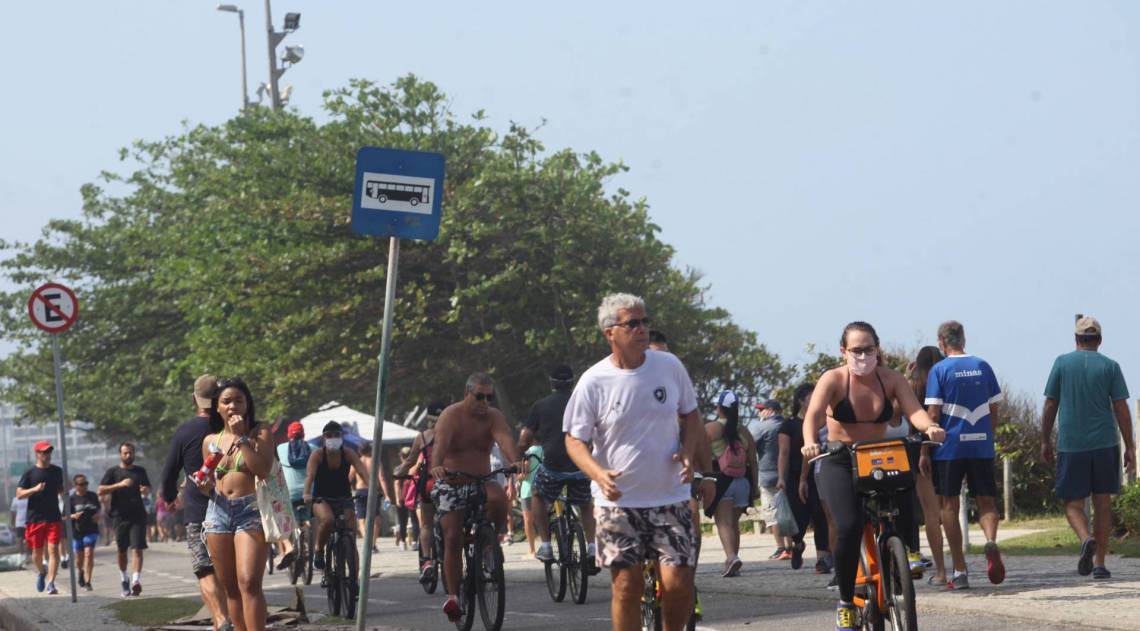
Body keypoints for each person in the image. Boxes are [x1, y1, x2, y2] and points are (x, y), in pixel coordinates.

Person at [564, 293, 703, 631]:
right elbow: (574, 440)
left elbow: (693, 415)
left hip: (670, 497)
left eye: (645, 321)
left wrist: (688, 450)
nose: (643, 329)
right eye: (633, 323)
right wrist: (598, 474)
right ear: (610, 332)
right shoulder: (593, 381)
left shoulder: (669, 366)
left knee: (678, 584)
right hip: (619, 504)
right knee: (627, 587)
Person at [802, 321, 945, 631]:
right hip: (838, 459)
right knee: (849, 525)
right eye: (856, 350)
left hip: (876, 456)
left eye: (869, 349)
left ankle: (904, 554)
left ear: (877, 349)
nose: (863, 355)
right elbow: (812, 414)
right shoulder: (833, 379)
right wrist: (811, 441)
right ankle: (844, 601)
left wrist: (928, 427)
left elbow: (914, 411)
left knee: (906, 497)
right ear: (843, 351)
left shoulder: (891, 379)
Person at [1041, 315, 1135, 580]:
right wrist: (1130, 446)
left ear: (1076, 339)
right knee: (1102, 502)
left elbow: (1050, 404)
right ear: (1100, 340)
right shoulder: (1111, 366)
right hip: (1105, 443)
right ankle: (1100, 564)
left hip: (1072, 444)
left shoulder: (1061, 363)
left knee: (1073, 503)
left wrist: (1045, 439)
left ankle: (1085, 539)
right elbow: (1121, 408)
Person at [430, 373, 524, 622]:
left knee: (498, 497)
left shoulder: (494, 417)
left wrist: (515, 462)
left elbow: (505, 440)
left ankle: (490, 542)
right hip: (451, 482)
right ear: (466, 394)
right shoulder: (451, 415)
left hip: (480, 480)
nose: (484, 402)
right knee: (453, 537)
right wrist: (437, 466)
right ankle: (454, 597)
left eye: (488, 397)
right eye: (479, 396)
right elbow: (440, 445)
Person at [925, 320, 1004, 589]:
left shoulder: (939, 370)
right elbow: (993, 409)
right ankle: (991, 540)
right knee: (987, 502)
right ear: (964, 339)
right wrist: (987, 437)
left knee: (949, 505)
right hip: (981, 444)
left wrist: (925, 448)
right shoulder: (983, 366)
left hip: (950, 447)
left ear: (941, 341)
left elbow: (933, 415)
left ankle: (959, 571)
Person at [198, 378, 274, 631]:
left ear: (247, 404)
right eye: (226, 401)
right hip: (218, 511)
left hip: (249, 511)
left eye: (238, 400)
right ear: (217, 408)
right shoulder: (211, 440)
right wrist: (205, 486)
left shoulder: (259, 433)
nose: (233, 406)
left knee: (249, 581)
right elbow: (210, 480)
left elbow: (262, 470)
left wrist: (242, 438)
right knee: (230, 587)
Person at [160, 374, 230, 631]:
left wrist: (169, 497)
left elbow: (168, 474)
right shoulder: (228, 427)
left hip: (198, 510)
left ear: (194, 399)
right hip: (230, 507)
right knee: (225, 570)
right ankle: (221, 620)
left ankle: (221, 619)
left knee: (204, 569)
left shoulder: (185, 431)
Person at [522, 365, 597, 567]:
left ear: (552, 383)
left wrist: (521, 454)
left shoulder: (540, 405)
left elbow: (526, 436)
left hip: (553, 466)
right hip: (581, 465)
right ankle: (592, 547)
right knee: (585, 504)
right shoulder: (584, 402)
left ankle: (546, 545)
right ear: (572, 382)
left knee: (537, 494)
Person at [303, 422, 369, 579]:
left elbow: (363, 472)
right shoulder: (317, 455)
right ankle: (319, 551)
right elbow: (309, 476)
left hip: (344, 497)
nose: (333, 438)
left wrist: (373, 489)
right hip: (321, 498)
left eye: (336, 435)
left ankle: (354, 580)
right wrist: (306, 493)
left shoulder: (349, 453)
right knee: (328, 520)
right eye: (329, 435)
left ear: (342, 437)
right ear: (324, 438)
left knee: (350, 537)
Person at [905, 347, 947, 585]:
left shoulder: (914, 387)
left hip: (919, 450)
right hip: (945, 446)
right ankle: (959, 568)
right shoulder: (944, 382)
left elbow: (897, 414)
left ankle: (941, 570)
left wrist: (906, 378)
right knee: (947, 510)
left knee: (931, 514)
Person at [705, 390, 758, 577]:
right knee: (734, 524)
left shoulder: (712, 428)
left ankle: (731, 557)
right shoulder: (744, 430)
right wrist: (755, 487)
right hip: (743, 482)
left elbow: (699, 452)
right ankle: (733, 558)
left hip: (722, 481)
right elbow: (753, 460)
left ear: (719, 408)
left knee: (724, 523)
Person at [394, 401, 445, 582]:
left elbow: (409, 463)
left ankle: (427, 562)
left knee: (426, 525)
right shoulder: (453, 434)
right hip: (450, 483)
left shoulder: (423, 437)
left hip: (429, 485)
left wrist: (398, 473)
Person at [783, 383, 829, 571]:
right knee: (800, 517)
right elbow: (785, 453)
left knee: (821, 516)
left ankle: (822, 558)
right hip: (797, 475)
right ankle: (797, 544)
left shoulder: (826, 416)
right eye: (812, 395)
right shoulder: (791, 424)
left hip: (821, 473)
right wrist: (786, 478)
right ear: (802, 400)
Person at [99, 442, 152, 597]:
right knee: (122, 551)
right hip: (119, 516)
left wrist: (145, 490)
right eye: (125, 453)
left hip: (138, 515)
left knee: (137, 548)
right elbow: (100, 490)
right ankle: (124, 579)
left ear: (134, 454)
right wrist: (120, 485)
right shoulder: (112, 472)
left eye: (131, 453)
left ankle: (136, 581)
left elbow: (148, 488)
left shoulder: (140, 471)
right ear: (120, 455)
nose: (128, 455)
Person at [17, 441, 65, 595]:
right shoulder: (29, 473)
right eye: (44, 452)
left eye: (49, 452)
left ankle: (51, 583)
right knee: (36, 554)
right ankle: (41, 572)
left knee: (53, 550)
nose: (47, 455)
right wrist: (35, 489)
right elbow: (19, 494)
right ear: (37, 454)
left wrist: (64, 493)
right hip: (35, 518)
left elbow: (60, 489)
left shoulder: (57, 471)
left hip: (53, 516)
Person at [749, 399, 787, 559]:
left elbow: (749, 446)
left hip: (767, 475)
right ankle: (791, 546)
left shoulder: (761, 427)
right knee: (787, 511)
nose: (759, 413)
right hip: (788, 475)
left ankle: (780, 548)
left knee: (772, 514)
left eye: (761, 409)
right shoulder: (787, 425)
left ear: (770, 410)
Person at [277, 421, 310, 563]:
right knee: (312, 518)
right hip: (309, 493)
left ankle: (286, 548)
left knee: (279, 516)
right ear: (303, 434)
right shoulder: (312, 448)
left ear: (288, 435)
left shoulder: (280, 448)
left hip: (289, 493)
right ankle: (313, 547)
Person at [353, 440, 392, 554]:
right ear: (370, 450)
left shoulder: (357, 462)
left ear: (360, 451)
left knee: (361, 520)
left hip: (360, 490)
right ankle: (373, 544)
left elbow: (349, 477)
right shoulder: (375, 462)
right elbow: (382, 478)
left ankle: (367, 543)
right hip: (373, 491)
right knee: (376, 519)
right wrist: (387, 495)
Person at [69, 474, 100, 591]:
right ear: (75, 486)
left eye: (86, 483)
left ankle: (88, 581)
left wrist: (98, 515)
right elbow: (63, 517)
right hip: (77, 532)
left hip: (91, 530)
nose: (84, 486)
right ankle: (80, 572)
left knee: (89, 554)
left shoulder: (92, 496)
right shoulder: (71, 500)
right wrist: (73, 515)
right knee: (79, 560)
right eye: (81, 484)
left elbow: (99, 509)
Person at [395, 446, 420, 550]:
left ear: (401, 457)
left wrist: (397, 498)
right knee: (414, 520)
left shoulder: (399, 468)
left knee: (402, 521)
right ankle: (414, 541)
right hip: (413, 496)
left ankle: (402, 542)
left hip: (402, 496)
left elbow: (396, 484)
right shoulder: (415, 468)